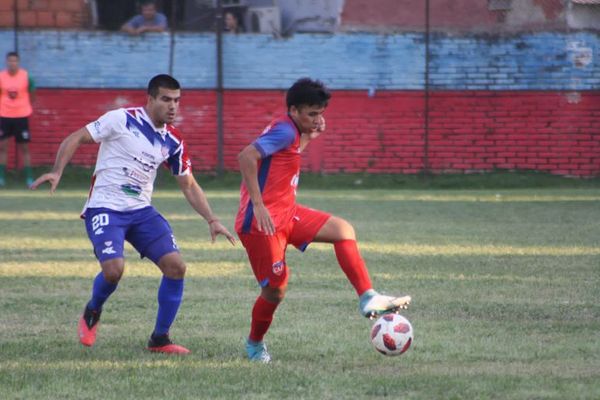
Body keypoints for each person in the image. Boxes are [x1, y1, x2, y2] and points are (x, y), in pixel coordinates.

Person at [31, 74, 236, 354]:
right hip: (105, 207)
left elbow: (188, 184)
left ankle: (159, 339)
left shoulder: (173, 141)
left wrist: (211, 219)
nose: (173, 106)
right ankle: (93, 310)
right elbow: (77, 137)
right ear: (150, 99)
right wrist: (57, 171)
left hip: (140, 211)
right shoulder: (121, 119)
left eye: (177, 100)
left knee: (177, 267)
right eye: (166, 99)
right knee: (114, 271)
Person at [236, 77, 411, 363]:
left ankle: (368, 297)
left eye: (320, 113)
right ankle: (254, 344)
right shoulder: (283, 130)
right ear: (294, 111)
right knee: (275, 290)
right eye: (312, 114)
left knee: (342, 230)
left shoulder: (291, 131)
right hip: (261, 224)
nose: (318, 119)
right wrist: (257, 205)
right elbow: (246, 156)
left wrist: (308, 137)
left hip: (286, 213)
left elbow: (280, 160)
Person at [0, 51, 35, 187]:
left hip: (21, 116)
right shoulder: (1, 76)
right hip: (4, 116)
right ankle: (1, 178)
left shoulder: (26, 76)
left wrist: (25, 106)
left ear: (18, 62)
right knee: (2, 147)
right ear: (6, 62)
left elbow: (32, 93)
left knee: (25, 148)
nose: (12, 63)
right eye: (10, 61)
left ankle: (29, 178)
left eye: (14, 61)